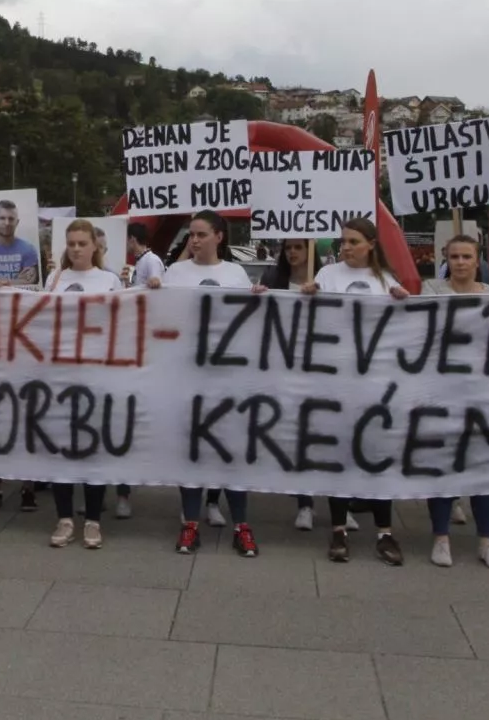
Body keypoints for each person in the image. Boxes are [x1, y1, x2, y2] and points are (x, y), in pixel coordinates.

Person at [147, 210, 259, 558]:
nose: (193, 240)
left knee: (231, 451)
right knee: (191, 450)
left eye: (201, 234)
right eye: (191, 234)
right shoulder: (176, 273)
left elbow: (250, 322)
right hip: (188, 376)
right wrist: (154, 294)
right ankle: (191, 522)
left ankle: (241, 525)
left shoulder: (236, 274)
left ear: (219, 237)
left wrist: (261, 299)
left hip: (228, 378)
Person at [296, 217, 407, 564]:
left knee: (376, 455)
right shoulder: (328, 276)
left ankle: (385, 532)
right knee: (339, 455)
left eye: (353, 241)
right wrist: (306, 296)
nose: (345, 247)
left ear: (371, 244)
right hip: (336, 382)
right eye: (343, 241)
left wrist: (405, 304)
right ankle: (338, 529)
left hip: (375, 385)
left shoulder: (386, 280)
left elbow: (401, 330)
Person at [416, 236, 489, 570]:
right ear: (446, 259)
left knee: (483, 468)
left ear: (477, 260)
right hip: (442, 393)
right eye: (454, 256)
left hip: (483, 395)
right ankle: (441, 538)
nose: (459, 262)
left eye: (466, 256)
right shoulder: (432, 290)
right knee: (441, 465)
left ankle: (486, 541)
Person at [44, 219, 123, 549]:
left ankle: (92, 520)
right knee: (61, 449)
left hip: (96, 376)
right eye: (71, 243)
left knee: (93, 450)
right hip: (61, 376)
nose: (76, 249)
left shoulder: (109, 280)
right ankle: (64, 519)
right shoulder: (55, 279)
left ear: (95, 247)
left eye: (82, 243)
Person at [250, 238, 337, 533]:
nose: (293, 252)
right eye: (288, 248)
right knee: (300, 438)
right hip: (285, 367)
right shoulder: (274, 279)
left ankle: (341, 502)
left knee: (325, 437)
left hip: (322, 367)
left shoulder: (327, 279)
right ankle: (305, 503)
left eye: (299, 247)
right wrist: (258, 295)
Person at [124, 222, 165, 289]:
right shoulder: (140, 260)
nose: (123, 243)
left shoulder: (152, 260)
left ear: (132, 239)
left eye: (125, 239)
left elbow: (155, 286)